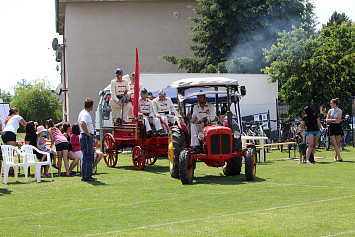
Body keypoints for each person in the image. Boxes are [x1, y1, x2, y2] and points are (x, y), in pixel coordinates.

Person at [78, 98, 96, 182]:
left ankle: (88, 175)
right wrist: (88, 133)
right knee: (87, 156)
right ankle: (86, 176)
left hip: (84, 136)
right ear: (91, 106)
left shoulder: (82, 112)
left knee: (88, 156)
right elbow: (82, 123)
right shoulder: (86, 114)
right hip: (86, 137)